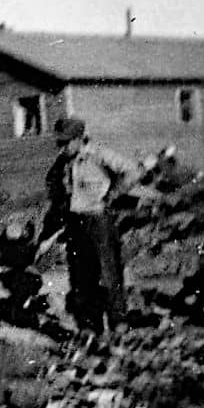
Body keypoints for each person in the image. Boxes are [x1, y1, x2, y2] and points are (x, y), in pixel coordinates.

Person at [41, 117, 139, 335]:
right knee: (81, 274)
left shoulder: (98, 154)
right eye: (60, 143)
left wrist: (113, 194)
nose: (62, 147)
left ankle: (118, 321)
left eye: (66, 142)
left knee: (109, 271)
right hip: (75, 222)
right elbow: (53, 188)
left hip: (99, 220)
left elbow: (132, 170)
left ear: (78, 139)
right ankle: (89, 324)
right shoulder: (61, 164)